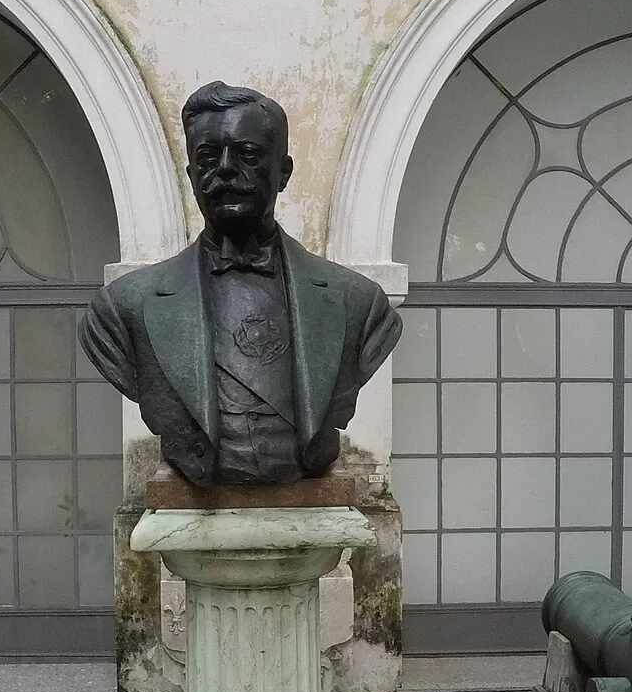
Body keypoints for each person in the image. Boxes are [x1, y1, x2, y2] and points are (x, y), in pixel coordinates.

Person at [79, 81, 401, 488]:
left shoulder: (360, 304)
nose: (226, 169)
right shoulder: (122, 308)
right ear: (191, 175)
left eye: (247, 154)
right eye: (208, 157)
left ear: (283, 173)